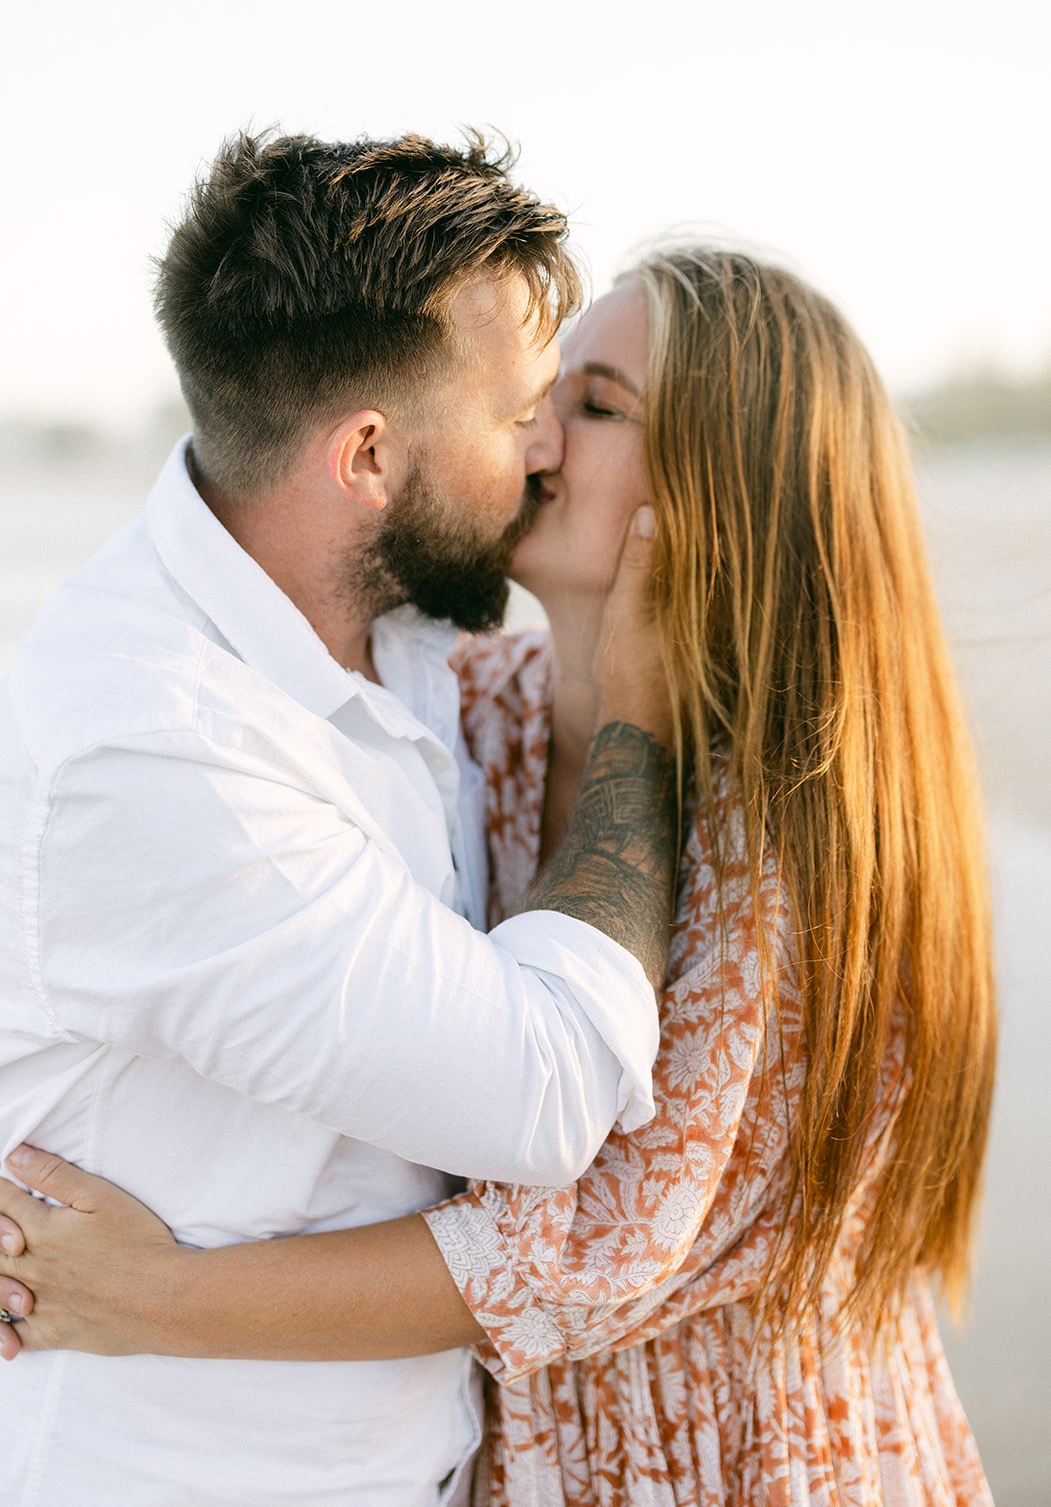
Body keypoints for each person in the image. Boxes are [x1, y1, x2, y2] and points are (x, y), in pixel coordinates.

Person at [0, 247, 996, 1504]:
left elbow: (586, 1249)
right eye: (538, 399)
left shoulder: (791, 822)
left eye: (593, 407)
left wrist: (147, 1293)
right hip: (520, 1458)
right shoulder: (480, 716)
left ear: (727, 492)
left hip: (734, 1453)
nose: (534, 442)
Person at [0, 131, 684, 1506]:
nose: (544, 445)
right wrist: (643, 719)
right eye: (515, 416)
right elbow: (543, 1091)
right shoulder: (159, 750)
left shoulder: (392, 625)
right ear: (367, 456)